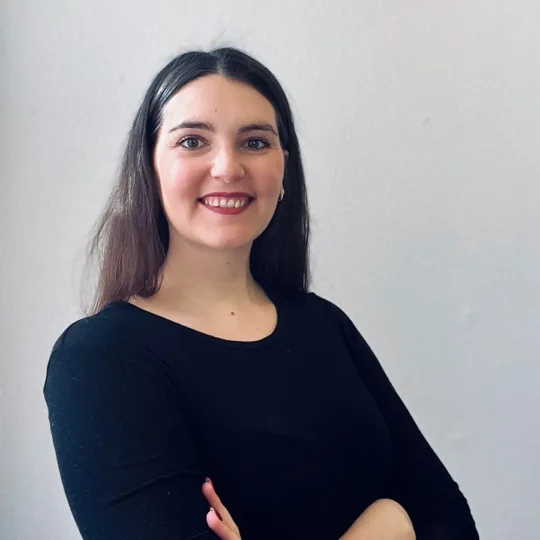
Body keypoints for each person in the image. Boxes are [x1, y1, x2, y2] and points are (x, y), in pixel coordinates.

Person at [43, 47, 479, 540]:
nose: (228, 167)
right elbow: (416, 517)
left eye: (254, 142)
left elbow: (450, 518)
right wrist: (390, 524)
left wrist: (410, 518)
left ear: (283, 169)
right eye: (192, 141)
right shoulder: (101, 360)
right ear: (149, 167)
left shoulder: (323, 325)